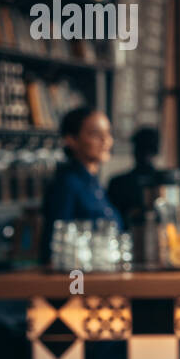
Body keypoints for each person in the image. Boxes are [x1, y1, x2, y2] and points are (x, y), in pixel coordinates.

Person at [41, 107, 122, 263]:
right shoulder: (67, 185)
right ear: (71, 140)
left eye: (108, 133)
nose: (106, 140)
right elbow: (57, 246)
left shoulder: (95, 184)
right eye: (95, 134)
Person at [107, 127, 161, 225]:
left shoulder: (165, 184)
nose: (145, 155)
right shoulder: (118, 183)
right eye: (141, 149)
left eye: (149, 150)